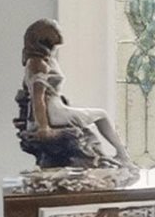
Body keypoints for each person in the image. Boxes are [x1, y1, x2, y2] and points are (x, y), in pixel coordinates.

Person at [15, 19, 128, 169]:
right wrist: (44, 127)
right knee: (102, 115)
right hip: (52, 113)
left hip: (54, 108)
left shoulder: (42, 60)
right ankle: (122, 154)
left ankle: (118, 154)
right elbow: (38, 98)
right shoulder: (38, 64)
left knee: (98, 116)